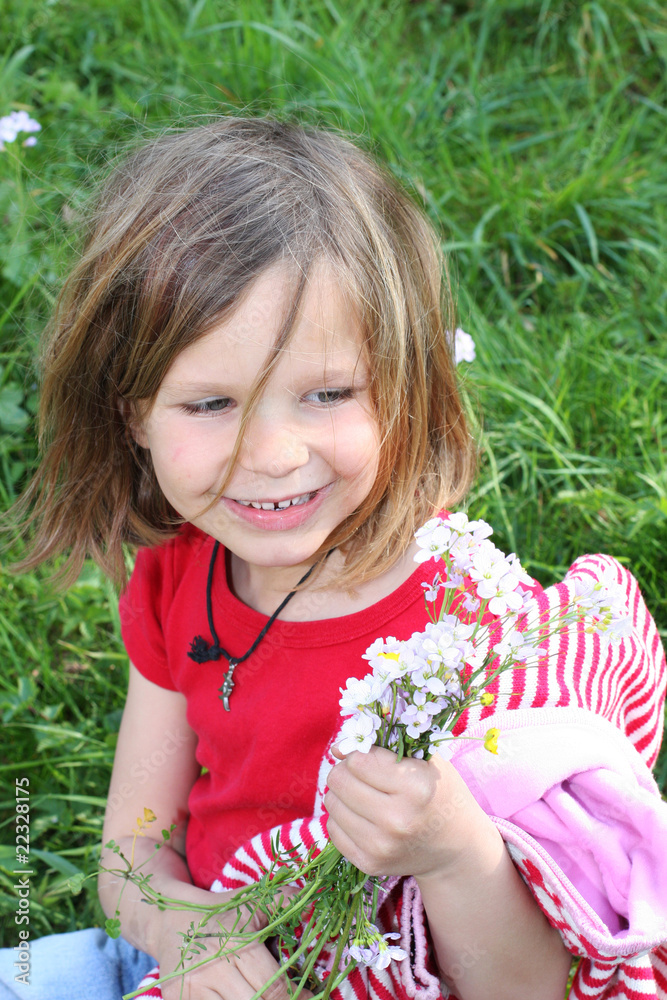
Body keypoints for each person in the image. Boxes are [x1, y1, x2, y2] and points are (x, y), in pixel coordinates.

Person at [1, 117, 666, 1000]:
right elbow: (132, 850)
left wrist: (450, 845)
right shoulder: (179, 574)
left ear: (405, 386)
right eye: (209, 403)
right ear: (132, 415)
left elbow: (528, 986)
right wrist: (187, 931)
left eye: (326, 393)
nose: (272, 453)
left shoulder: (463, 638)